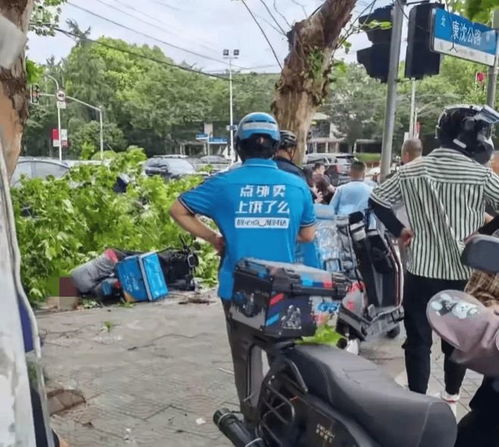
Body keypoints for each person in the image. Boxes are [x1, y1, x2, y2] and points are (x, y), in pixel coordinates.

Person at [169, 112, 316, 424]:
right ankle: (285, 421)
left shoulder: (223, 184)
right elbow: (307, 235)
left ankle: (252, 425)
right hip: (283, 289)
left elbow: (178, 209)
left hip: (238, 289)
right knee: (284, 359)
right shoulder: (296, 185)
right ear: (276, 146)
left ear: (239, 147)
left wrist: (213, 237)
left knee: (246, 359)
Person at [369, 104, 499, 411]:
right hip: (463, 275)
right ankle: (451, 398)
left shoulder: (412, 169)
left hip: (420, 272)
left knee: (417, 342)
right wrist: (484, 232)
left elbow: (377, 200)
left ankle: (417, 404)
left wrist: (400, 229)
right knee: (458, 341)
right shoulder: (480, 174)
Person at [396, 138, 424, 269]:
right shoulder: (429, 172)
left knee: (407, 266)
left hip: (405, 228)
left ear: (406, 155)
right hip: (426, 231)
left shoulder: (403, 174)